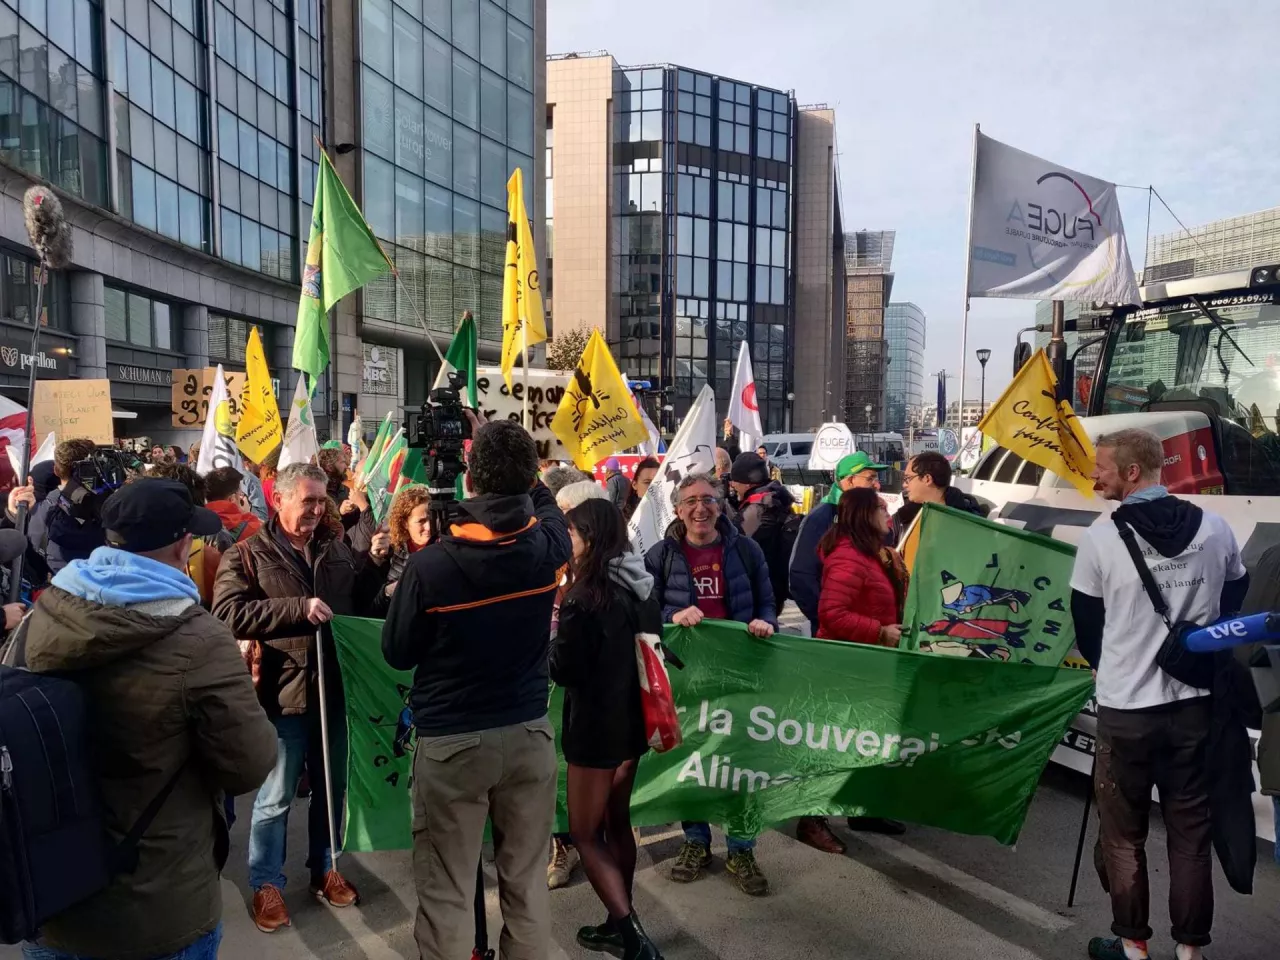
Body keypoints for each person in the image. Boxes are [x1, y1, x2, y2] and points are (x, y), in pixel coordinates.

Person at [6, 479, 276, 960]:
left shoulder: (40, 615)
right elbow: (249, 765)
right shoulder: (200, 639)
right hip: (156, 908)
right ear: (182, 545)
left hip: (50, 892)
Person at [381, 419, 571, 960]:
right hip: (528, 735)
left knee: (447, 892)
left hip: (453, 744)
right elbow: (551, 511)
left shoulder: (430, 566)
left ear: (469, 475)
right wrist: (510, 455)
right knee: (527, 883)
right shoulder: (545, 548)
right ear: (529, 476)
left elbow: (397, 653)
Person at [1069, 428, 1248, 960]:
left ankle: (1133, 947)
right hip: (1194, 703)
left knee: (1123, 835)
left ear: (1132, 472)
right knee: (1190, 833)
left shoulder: (1101, 538)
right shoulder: (1214, 528)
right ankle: (1190, 952)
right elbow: (1236, 591)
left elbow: (1087, 627)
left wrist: (1114, 665)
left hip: (1127, 709)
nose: (1093, 475)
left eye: (1101, 467)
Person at [212, 462, 382, 934]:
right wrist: (296, 609)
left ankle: (326, 868)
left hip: (336, 691)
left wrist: (375, 563)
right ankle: (266, 883)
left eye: (322, 500)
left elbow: (357, 603)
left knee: (332, 789)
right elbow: (226, 613)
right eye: (308, 500)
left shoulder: (335, 547)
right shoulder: (246, 553)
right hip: (281, 696)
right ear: (279, 499)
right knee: (275, 797)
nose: (317, 509)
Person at [645, 472, 776, 896]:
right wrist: (672, 616)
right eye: (690, 501)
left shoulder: (746, 550)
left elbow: (768, 601)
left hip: (738, 672)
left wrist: (765, 622)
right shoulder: (660, 555)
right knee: (692, 760)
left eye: (708, 499)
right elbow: (644, 610)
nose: (700, 508)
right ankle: (696, 841)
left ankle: (741, 847)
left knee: (739, 761)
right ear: (677, 510)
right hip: (687, 675)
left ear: (720, 506)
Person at [551, 499, 664, 959]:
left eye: (571, 531)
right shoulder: (639, 587)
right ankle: (618, 925)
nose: (567, 540)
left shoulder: (583, 598)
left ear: (590, 537)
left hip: (594, 730)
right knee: (617, 823)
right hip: (632, 724)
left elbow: (566, 670)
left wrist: (549, 642)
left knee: (584, 833)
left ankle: (633, 939)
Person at [546, 472, 609, 890]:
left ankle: (594, 840)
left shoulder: (616, 575)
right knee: (552, 766)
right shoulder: (549, 565)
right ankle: (561, 843)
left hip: (594, 694)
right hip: (549, 684)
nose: (561, 526)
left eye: (568, 517)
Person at [789, 452, 888, 633]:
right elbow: (801, 575)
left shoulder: (872, 517)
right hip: (838, 634)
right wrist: (827, 620)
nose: (877, 485)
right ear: (849, 481)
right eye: (870, 478)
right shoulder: (821, 518)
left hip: (869, 632)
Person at [726, 452, 796, 607]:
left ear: (748, 484)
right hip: (774, 584)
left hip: (762, 589)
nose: (733, 485)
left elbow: (735, 540)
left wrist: (725, 510)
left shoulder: (758, 509)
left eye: (735, 481)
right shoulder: (772, 499)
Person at [28, 438, 104, 575]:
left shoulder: (41, 510)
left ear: (56, 470)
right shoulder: (114, 503)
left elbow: (34, 548)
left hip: (61, 581)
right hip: (106, 579)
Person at [891, 451, 987, 543]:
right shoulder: (902, 518)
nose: (904, 485)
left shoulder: (970, 523)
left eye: (908, 478)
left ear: (927, 479)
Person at [365, 483, 430, 615]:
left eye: (432, 518)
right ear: (405, 523)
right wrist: (375, 560)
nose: (429, 527)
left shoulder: (444, 548)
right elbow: (367, 604)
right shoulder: (390, 550)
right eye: (421, 521)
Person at [204, 466, 264, 543]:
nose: (241, 497)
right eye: (240, 493)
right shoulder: (251, 528)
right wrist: (247, 514)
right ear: (232, 499)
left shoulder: (196, 524)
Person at [622, 456, 660, 522]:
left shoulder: (672, 514)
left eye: (657, 482)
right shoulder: (622, 518)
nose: (652, 487)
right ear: (634, 485)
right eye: (647, 482)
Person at [240, 455, 269, 521]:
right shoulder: (250, 479)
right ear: (248, 463)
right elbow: (262, 516)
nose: (262, 464)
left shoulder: (250, 479)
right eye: (259, 461)